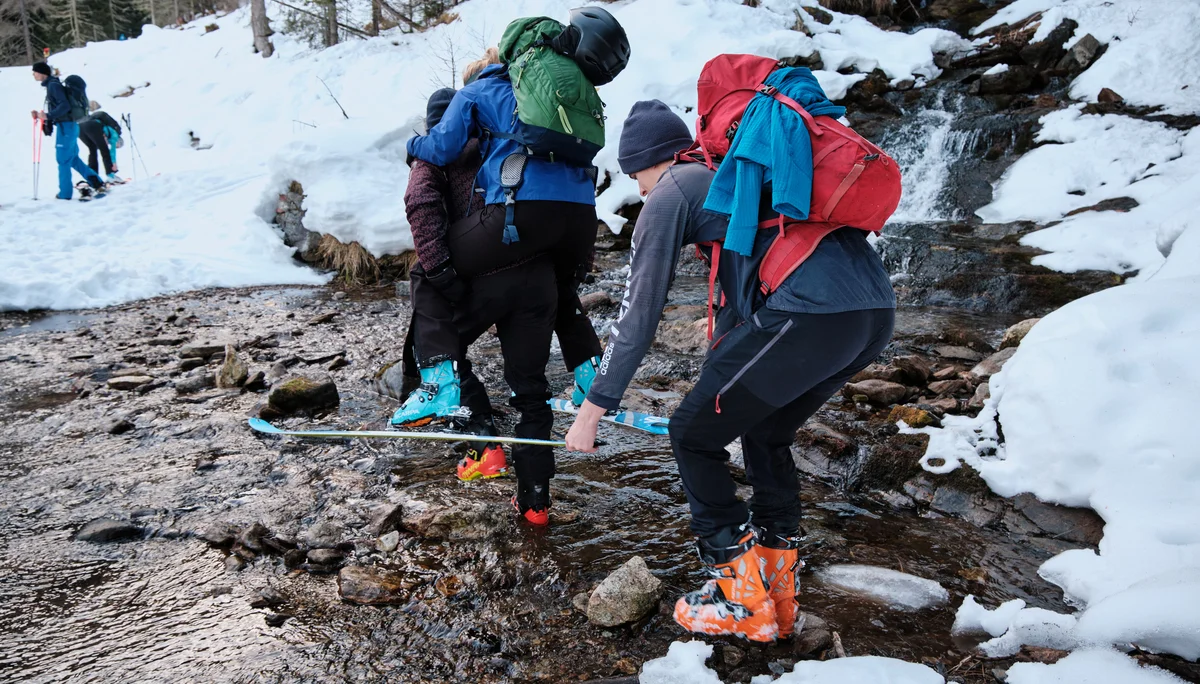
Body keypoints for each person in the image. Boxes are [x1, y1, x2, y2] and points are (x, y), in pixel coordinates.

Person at [564, 98, 896, 642]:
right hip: (872, 313)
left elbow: (638, 313)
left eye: (636, 176)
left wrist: (592, 410)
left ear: (651, 161)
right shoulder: (730, 177)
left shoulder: (673, 190)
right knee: (766, 433)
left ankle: (739, 599)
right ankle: (777, 592)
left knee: (692, 435)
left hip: (811, 313)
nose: (640, 191)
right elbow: (744, 310)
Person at [400, 30, 622, 523]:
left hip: (482, 278)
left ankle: (482, 443)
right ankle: (536, 502)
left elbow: (423, 213)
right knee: (530, 389)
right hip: (538, 279)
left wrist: (445, 279)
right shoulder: (517, 140)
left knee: (432, 345)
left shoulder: (438, 155)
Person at [30, 63, 106, 200]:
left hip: (66, 127)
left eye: (34, 72)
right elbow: (61, 106)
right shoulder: (53, 84)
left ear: (42, 73)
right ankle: (97, 182)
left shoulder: (53, 86)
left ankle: (65, 193)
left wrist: (47, 116)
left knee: (63, 160)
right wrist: (44, 115)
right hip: (69, 126)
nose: (33, 74)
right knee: (73, 159)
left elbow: (64, 106)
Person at [79, 101, 123, 182]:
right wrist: (113, 166)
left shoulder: (109, 131)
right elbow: (111, 152)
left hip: (80, 127)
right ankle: (111, 176)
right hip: (92, 126)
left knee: (92, 150)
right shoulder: (115, 136)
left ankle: (92, 177)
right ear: (119, 141)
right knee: (104, 150)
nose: (116, 146)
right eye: (118, 146)